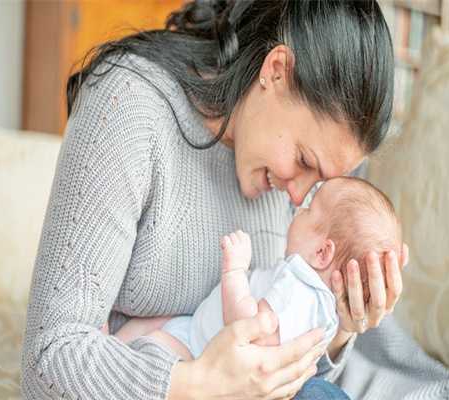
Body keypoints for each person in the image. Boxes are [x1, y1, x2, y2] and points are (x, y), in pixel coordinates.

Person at [20, 1, 408, 399]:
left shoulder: (285, 173)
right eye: (304, 160)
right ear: (275, 71)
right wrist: (202, 384)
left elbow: (276, 364)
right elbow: (46, 361)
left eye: (319, 182)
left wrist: (339, 323)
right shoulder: (128, 105)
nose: (297, 196)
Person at [112, 176, 403, 366]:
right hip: (197, 330)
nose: (298, 209)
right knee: (152, 327)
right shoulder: (318, 306)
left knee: (154, 344)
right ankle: (108, 346)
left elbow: (248, 332)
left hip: (200, 356)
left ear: (322, 253)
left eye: (309, 210)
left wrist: (235, 271)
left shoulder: (299, 289)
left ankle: (107, 359)